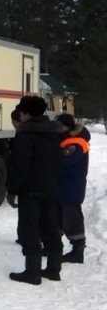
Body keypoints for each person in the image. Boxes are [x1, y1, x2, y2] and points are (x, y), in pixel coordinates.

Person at [6, 96, 64, 284]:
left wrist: (12, 189)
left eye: (21, 112)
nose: (20, 116)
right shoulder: (53, 133)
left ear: (27, 113)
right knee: (50, 227)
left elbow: (19, 166)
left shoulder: (26, 135)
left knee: (28, 229)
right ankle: (54, 268)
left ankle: (32, 271)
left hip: (30, 190)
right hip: (50, 187)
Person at [55, 113, 90, 264]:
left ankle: (78, 251)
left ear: (67, 127)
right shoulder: (65, 139)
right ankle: (54, 246)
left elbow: (63, 161)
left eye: (59, 126)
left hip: (71, 187)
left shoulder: (77, 143)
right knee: (57, 217)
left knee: (72, 218)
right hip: (63, 186)